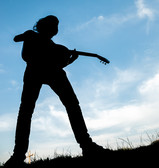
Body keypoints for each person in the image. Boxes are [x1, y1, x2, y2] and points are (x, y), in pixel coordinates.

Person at [4, 15, 107, 167]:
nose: (55, 29)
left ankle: (87, 145)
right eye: (53, 26)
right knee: (27, 111)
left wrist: (71, 59)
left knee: (71, 105)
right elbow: (17, 41)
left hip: (51, 73)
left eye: (56, 26)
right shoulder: (34, 37)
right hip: (34, 72)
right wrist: (28, 36)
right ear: (44, 27)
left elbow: (58, 66)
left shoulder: (56, 48)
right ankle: (18, 156)